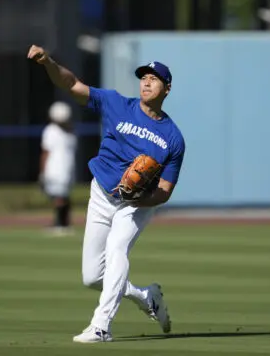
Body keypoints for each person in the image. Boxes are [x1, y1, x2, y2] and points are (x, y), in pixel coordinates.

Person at [27, 45, 185, 343]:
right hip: (101, 193)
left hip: (135, 205)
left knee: (116, 250)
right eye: (144, 77)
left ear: (167, 88)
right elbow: (71, 84)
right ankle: (146, 297)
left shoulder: (173, 138)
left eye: (154, 78)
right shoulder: (115, 103)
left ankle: (101, 326)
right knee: (92, 277)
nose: (147, 82)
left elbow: (164, 190)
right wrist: (48, 61)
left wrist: (141, 200)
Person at [39, 101, 77, 236]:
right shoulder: (71, 131)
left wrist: (42, 171)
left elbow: (45, 152)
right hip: (67, 168)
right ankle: (64, 222)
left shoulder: (51, 131)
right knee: (62, 196)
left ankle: (60, 224)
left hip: (55, 169)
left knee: (59, 197)